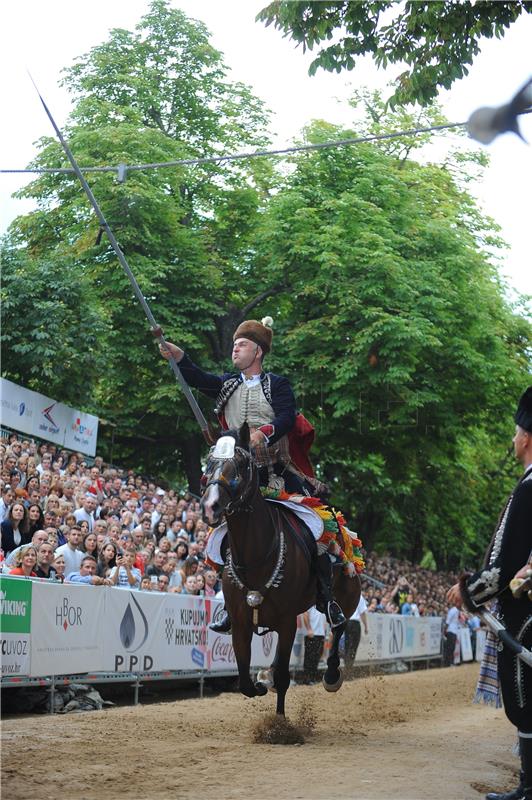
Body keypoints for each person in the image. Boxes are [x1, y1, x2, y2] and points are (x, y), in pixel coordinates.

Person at [159, 317, 346, 631]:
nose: (235, 348)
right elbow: (196, 377)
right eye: (234, 344)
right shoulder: (228, 384)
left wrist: (265, 433)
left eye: (241, 344)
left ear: (257, 351)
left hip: (274, 471)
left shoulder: (278, 384)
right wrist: (177, 356)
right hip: (237, 474)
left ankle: (326, 598)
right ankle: (230, 606)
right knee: (222, 534)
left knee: (318, 523)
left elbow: (287, 416)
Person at [447, 386, 532, 800]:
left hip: (526, 615)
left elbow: (506, 566)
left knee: (524, 702)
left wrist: (468, 591)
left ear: (527, 438)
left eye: (516, 433)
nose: (513, 440)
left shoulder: (529, 488)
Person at [344, 594, 369, 676]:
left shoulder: (346, 594)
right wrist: (366, 626)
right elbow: (362, 613)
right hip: (354, 623)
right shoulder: (359, 596)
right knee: (353, 647)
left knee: (347, 647)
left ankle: (346, 669)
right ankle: (348, 670)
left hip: (346, 622)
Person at [443, 600, 461, 667]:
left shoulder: (456, 610)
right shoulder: (453, 611)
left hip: (453, 631)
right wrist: (444, 631)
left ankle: (450, 662)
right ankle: (448, 663)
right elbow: (447, 622)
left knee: (452, 648)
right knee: (450, 648)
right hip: (451, 631)